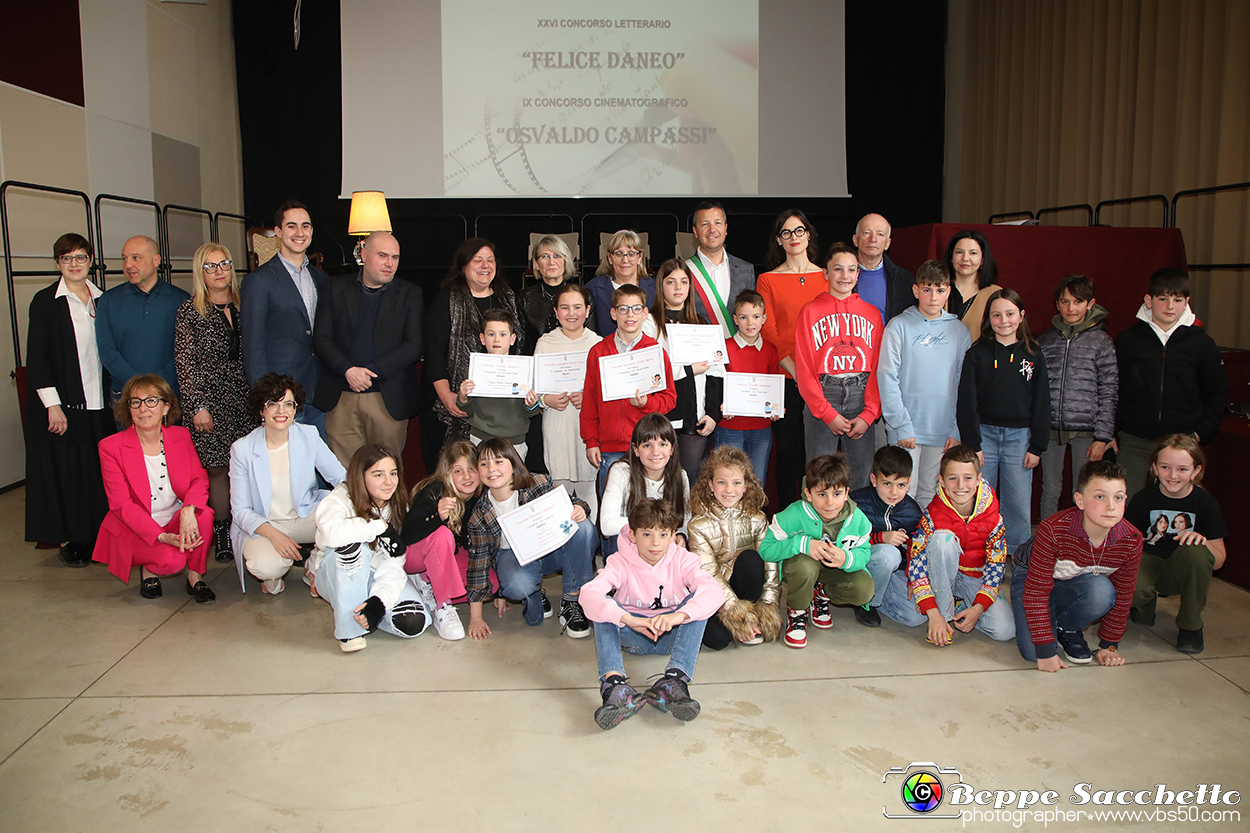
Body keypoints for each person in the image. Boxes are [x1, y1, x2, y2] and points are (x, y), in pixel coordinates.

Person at [581, 498, 723, 730]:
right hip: (632, 635)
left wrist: (678, 617)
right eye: (647, 534)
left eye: (663, 535)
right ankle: (614, 685)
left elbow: (714, 592)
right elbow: (588, 595)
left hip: (672, 636)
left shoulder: (683, 559)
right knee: (603, 606)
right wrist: (628, 619)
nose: (655, 543)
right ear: (633, 536)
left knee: (696, 602)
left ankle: (674, 681)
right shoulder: (619, 561)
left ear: (673, 535)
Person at [24, 233, 113, 567]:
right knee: (70, 475)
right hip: (65, 406)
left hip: (99, 403)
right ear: (58, 263)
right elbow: (39, 357)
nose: (74, 264)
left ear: (91, 260)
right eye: (66, 258)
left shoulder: (104, 300)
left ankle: (99, 538)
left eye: (80, 257)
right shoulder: (46, 302)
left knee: (97, 475)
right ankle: (75, 541)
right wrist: (53, 404)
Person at [93, 374, 216, 603]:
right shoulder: (110, 447)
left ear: (166, 406)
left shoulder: (181, 436)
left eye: (151, 401)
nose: (143, 409)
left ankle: (195, 576)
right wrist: (160, 536)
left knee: (204, 514)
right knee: (171, 562)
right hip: (135, 528)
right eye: (135, 402)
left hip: (174, 517)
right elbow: (121, 505)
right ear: (128, 408)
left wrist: (188, 509)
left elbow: (199, 480)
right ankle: (148, 570)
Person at [1011, 460, 1143, 671]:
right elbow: (1036, 591)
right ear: (1080, 500)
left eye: (1118, 498)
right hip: (1031, 575)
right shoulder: (1053, 529)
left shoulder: (1131, 539)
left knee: (1103, 591)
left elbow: (1124, 593)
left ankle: (1067, 625)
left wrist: (1109, 646)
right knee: (1033, 653)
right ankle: (1045, 616)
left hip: (1075, 579)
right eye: (1100, 497)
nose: (1111, 506)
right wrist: (1045, 650)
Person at [879, 445, 1014, 646]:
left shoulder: (994, 518)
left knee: (1005, 630)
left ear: (978, 480)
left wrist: (978, 607)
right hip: (939, 576)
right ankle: (944, 614)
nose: (961, 485)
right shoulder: (932, 515)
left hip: (974, 577)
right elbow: (917, 562)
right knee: (943, 540)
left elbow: (996, 566)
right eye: (953, 478)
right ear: (941, 480)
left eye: (968, 478)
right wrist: (933, 613)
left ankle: (960, 606)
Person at [464, 438, 597, 640]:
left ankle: (572, 601)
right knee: (519, 585)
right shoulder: (479, 514)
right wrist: (476, 617)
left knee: (583, 528)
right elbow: (478, 565)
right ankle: (532, 593)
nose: (492, 469)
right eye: (484, 463)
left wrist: (579, 508)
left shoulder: (537, 483)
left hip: (550, 550)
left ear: (513, 463)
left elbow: (573, 502)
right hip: (513, 557)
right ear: (478, 471)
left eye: (499, 461)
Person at [175, 243, 256, 564]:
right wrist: (197, 406)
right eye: (210, 266)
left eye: (224, 264)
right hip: (209, 403)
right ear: (200, 272)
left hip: (245, 400)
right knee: (218, 470)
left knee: (247, 469)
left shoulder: (245, 304)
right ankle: (222, 532)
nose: (219, 271)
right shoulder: (190, 311)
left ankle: (246, 529)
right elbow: (185, 363)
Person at [309, 444, 435, 653]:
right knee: (350, 545)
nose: (388, 482)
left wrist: (379, 602)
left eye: (393, 473)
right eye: (378, 475)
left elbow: (395, 562)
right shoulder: (341, 497)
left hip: (377, 575)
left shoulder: (398, 506)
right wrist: (380, 528)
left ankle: (365, 614)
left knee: (413, 622)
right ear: (361, 476)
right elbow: (332, 533)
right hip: (341, 572)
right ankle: (349, 631)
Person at [1114, 268, 1228, 499]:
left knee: (1178, 511)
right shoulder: (1128, 340)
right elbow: (1113, 388)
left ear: (1186, 302)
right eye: (1162, 298)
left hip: (1181, 442)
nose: (1169, 306)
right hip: (1135, 441)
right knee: (1128, 506)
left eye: (1177, 300)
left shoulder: (1202, 344)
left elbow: (1218, 394)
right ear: (1149, 300)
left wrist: (1198, 434)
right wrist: (1114, 431)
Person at [313, 231, 423, 467]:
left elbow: (414, 345)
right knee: (345, 475)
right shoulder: (334, 287)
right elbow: (321, 338)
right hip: (341, 397)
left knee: (386, 473)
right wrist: (348, 370)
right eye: (382, 255)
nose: (389, 263)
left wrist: (371, 371)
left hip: (387, 399)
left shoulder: (410, 293)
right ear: (363, 254)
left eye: (395, 257)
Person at [229, 374, 345, 595]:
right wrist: (274, 534)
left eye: (288, 404)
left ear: (295, 409)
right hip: (264, 525)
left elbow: (341, 478)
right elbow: (240, 510)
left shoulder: (309, 435)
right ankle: (272, 578)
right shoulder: (242, 449)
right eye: (273, 404)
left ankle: (314, 566)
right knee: (267, 567)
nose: (281, 411)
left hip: (304, 517)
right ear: (261, 411)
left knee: (344, 514)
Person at [956, 288, 1049, 553]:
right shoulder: (977, 354)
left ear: (1021, 315)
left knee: (1018, 502)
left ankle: (1017, 556)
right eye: (997, 315)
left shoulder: (1033, 355)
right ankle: (976, 552)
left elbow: (1043, 403)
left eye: (1010, 314)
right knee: (979, 500)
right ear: (989, 319)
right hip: (984, 437)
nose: (1004, 320)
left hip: (1020, 439)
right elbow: (967, 402)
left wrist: (1037, 446)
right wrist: (973, 443)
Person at [422, 238, 526, 469]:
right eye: (477, 260)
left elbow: (520, 348)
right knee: (459, 474)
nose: (485, 266)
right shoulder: (446, 300)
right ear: (462, 266)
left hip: (500, 411)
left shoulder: (509, 298)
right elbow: (434, 352)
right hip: (455, 407)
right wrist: (447, 395)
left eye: (490, 260)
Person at [877, 260, 971, 506]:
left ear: (948, 292)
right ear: (916, 290)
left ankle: (921, 544)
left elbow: (963, 383)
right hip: (906, 429)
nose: (933, 297)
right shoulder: (898, 326)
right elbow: (887, 376)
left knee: (930, 493)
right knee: (901, 493)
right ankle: (897, 545)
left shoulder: (960, 332)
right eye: (927, 289)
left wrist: (955, 428)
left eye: (940, 290)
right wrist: (900, 424)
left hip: (943, 430)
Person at [794, 242, 883, 491]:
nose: (845, 276)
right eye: (838, 269)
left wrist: (869, 413)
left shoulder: (872, 314)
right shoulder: (810, 312)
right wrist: (826, 413)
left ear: (858, 273)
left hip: (861, 393)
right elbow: (804, 368)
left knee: (861, 476)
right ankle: (817, 529)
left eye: (851, 270)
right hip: (824, 394)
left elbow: (877, 367)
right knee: (819, 475)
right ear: (826, 273)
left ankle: (854, 530)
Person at [1127, 435, 1228, 655]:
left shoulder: (1206, 503)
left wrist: (1203, 542)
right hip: (1148, 562)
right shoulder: (1142, 499)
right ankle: (1143, 605)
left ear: (1196, 471)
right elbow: (1124, 544)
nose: (1173, 476)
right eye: (1165, 467)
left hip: (1182, 569)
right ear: (1155, 467)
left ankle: (1191, 626)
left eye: (1182, 469)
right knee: (1133, 592)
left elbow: (1219, 561)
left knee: (1195, 550)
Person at [761, 453, 874, 649]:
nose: (830, 502)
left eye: (837, 494)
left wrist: (847, 558)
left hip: (832, 573)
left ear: (847, 493)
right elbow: (766, 550)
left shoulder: (859, 519)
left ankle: (820, 595)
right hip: (801, 570)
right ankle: (797, 612)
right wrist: (802, 544)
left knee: (864, 589)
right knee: (804, 565)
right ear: (808, 493)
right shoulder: (793, 514)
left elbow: (864, 553)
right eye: (822, 494)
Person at [756, 209, 827, 507]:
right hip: (785, 378)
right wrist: (797, 372)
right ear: (779, 241)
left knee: (818, 453)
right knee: (787, 450)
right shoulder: (768, 279)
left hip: (824, 378)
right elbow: (769, 331)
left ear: (808, 235)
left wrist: (813, 375)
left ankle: (818, 513)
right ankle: (787, 515)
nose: (794, 237)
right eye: (787, 233)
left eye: (799, 231)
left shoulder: (827, 276)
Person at [241, 201, 329, 440]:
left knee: (320, 467)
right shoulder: (259, 281)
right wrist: (267, 397)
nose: (300, 233)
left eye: (306, 226)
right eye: (292, 226)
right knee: (286, 469)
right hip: (281, 396)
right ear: (278, 232)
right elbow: (252, 346)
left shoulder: (321, 278)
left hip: (319, 391)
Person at [580, 283, 678, 498]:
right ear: (613, 313)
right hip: (610, 447)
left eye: (636, 309)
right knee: (612, 512)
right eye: (623, 309)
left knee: (649, 512)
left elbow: (670, 398)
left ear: (645, 313)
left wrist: (647, 404)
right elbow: (589, 401)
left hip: (647, 447)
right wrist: (591, 441)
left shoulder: (656, 352)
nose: (629, 315)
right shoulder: (598, 352)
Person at [1037, 274, 1118, 518]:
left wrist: (1102, 437)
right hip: (1051, 430)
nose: (1071, 308)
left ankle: (1079, 543)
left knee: (1082, 490)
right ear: (1057, 304)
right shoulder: (1046, 339)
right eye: (1065, 302)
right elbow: (1038, 388)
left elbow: (1109, 389)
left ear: (1090, 304)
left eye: (1078, 301)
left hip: (1087, 432)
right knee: (1050, 489)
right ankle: (1045, 543)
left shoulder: (1101, 341)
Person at [686, 445, 781, 649]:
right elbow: (708, 573)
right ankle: (743, 623)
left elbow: (771, 566)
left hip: (745, 584)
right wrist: (735, 612)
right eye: (722, 482)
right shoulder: (698, 525)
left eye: (736, 483)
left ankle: (753, 618)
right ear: (711, 485)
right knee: (717, 640)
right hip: (715, 591)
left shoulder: (757, 518)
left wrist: (768, 606)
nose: (729, 490)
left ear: (746, 486)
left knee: (752, 559)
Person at [643, 258, 723, 486]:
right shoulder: (649, 323)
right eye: (671, 282)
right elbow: (654, 371)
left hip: (694, 418)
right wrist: (690, 369)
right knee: (657, 482)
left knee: (688, 481)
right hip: (662, 416)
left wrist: (713, 414)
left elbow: (716, 371)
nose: (678, 288)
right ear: (661, 286)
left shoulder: (702, 324)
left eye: (684, 282)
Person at [401, 440, 487, 640]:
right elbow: (407, 534)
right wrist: (437, 518)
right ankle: (443, 605)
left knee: (491, 582)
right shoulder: (435, 491)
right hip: (412, 557)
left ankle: (430, 582)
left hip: (444, 554)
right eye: (458, 471)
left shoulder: (479, 497)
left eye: (472, 469)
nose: (467, 476)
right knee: (442, 534)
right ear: (447, 473)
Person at [533, 284, 603, 520]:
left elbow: (608, 393)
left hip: (586, 427)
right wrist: (547, 399)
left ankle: (589, 549)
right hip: (557, 423)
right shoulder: (545, 343)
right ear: (555, 311)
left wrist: (589, 397)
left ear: (588, 310)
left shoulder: (599, 343)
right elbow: (534, 393)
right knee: (559, 491)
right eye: (564, 307)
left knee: (588, 488)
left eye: (577, 307)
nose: (571, 313)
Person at [96, 235, 190, 403]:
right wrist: (138, 385)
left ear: (156, 261)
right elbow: (107, 351)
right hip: (124, 396)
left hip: (169, 394)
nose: (128, 265)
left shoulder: (181, 300)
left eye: (136, 258)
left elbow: (186, 351)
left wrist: (156, 385)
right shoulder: (108, 301)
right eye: (124, 259)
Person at [850, 446, 923, 628]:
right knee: (888, 554)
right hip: (858, 564)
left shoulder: (912, 513)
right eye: (887, 484)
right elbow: (842, 542)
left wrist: (913, 579)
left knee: (915, 618)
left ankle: (876, 594)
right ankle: (866, 601)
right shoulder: (855, 503)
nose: (893, 492)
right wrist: (879, 537)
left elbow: (917, 551)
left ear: (909, 483)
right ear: (874, 480)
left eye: (901, 485)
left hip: (891, 572)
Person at [601, 414, 691, 558]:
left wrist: (681, 534)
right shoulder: (621, 472)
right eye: (647, 445)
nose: (655, 452)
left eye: (663, 444)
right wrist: (658, 527)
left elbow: (686, 517)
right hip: (629, 549)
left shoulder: (681, 476)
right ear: (636, 450)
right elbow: (607, 524)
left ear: (672, 449)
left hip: (663, 549)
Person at [715, 289, 781, 484]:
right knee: (727, 478)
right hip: (729, 426)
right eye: (744, 317)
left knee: (756, 479)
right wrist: (721, 404)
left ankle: (753, 515)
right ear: (735, 319)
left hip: (761, 427)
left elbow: (773, 383)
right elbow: (715, 384)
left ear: (764, 319)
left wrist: (776, 407)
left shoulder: (770, 350)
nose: (750, 323)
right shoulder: (724, 347)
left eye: (756, 317)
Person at [458, 309, 541, 456]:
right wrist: (463, 397)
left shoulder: (524, 371)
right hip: (480, 438)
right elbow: (468, 410)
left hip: (514, 442)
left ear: (512, 339)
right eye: (491, 334)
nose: (496, 340)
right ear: (482, 339)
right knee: (483, 478)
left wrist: (531, 404)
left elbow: (531, 412)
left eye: (502, 334)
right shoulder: (474, 370)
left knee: (513, 479)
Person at [685, 201, 757, 337]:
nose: (712, 229)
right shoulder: (684, 271)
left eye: (717, 223)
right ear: (695, 231)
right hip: (700, 352)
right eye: (705, 224)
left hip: (739, 352)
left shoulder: (746, 270)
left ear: (726, 228)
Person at [585, 229, 656, 336]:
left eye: (631, 254)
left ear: (640, 257)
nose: (625, 260)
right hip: (607, 351)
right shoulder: (592, 289)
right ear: (610, 258)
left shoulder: (655, 289)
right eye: (618, 254)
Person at [851, 213, 917, 326]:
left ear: (887, 243)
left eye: (880, 234)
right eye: (867, 233)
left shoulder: (904, 280)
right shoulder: (839, 277)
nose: (873, 239)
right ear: (855, 240)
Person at [520, 234, 579, 346]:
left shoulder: (583, 296)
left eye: (557, 256)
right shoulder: (524, 299)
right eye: (545, 256)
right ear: (536, 264)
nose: (552, 262)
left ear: (565, 261)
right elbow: (521, 343)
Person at [944, 230, 1003, 341]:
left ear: (982, 260)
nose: (965, 258)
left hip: (979, 357)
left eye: (973, 253)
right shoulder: (936, 290)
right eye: (959, 252)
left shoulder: (995, 294)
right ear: (951, 257)